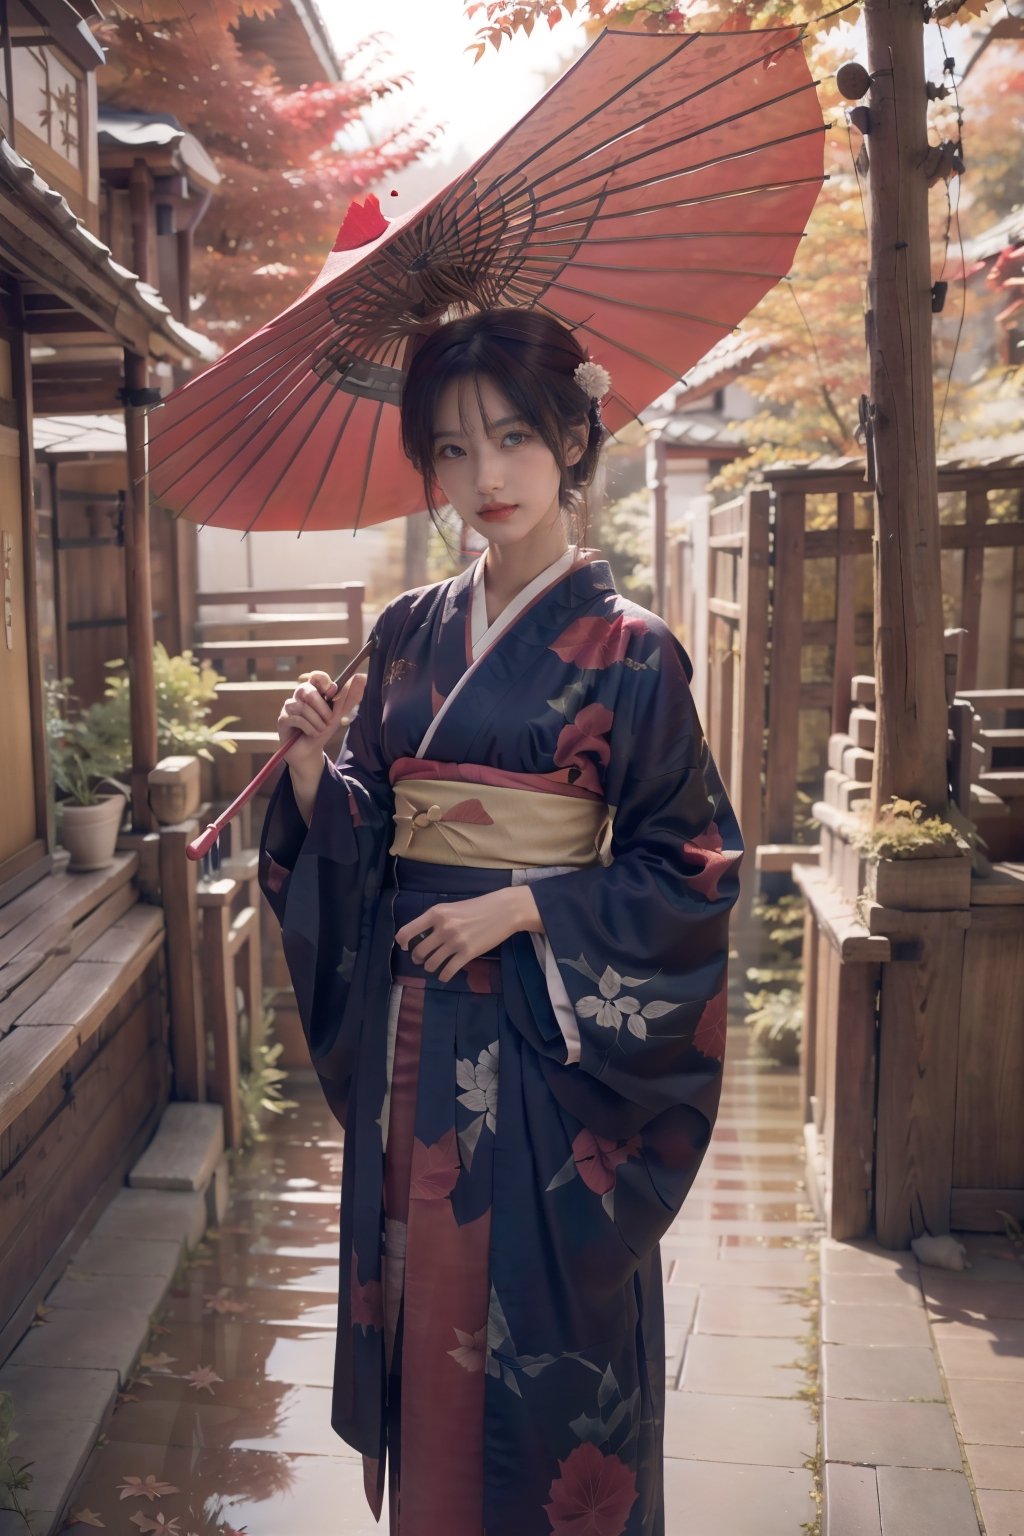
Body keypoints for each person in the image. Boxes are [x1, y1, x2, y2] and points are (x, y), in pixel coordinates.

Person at [258, 307, 743, 1536]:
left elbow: (690, 863)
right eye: (453, 450)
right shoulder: (408, 633)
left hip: (547, 1057)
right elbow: (370, 828)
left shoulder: (633, 654)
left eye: (516, 438)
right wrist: (319, 781)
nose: (486, 478)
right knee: (426, 1318)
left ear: (575, 438)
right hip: (414, 1045)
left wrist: (529, 907)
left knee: (546, 1338)